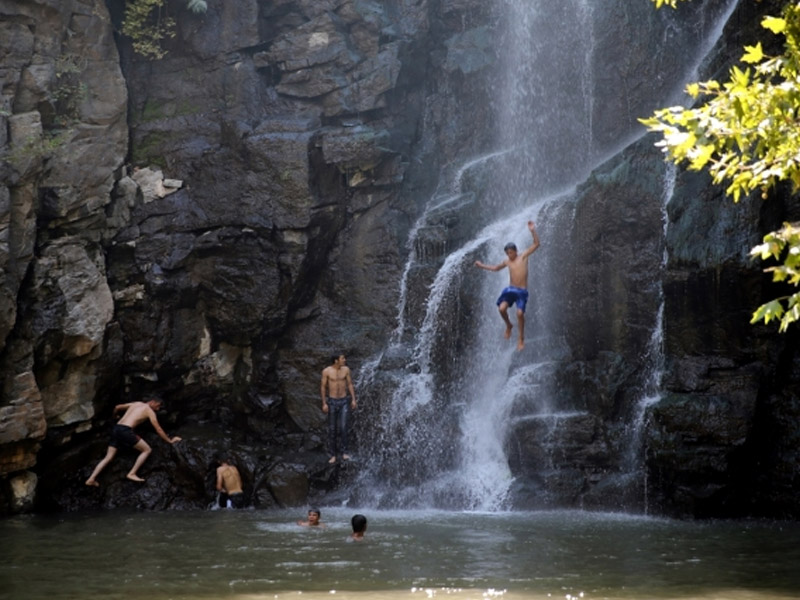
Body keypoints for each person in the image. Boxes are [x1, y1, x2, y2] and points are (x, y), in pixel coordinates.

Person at [474, 220, 540, 351]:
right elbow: (495, 268)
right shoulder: (507, 261)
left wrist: (533, 231)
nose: (509, 255)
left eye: (511, 252)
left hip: (522, 291)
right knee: (501, 309)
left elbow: (537, 244)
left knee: (520, 313)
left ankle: (521, 338)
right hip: (510, 290)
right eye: (507, 253)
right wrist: (481, 266)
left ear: (516, 251)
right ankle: (509, 325)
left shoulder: (523, 256)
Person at [85, 397, 182, 486]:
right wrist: (169, 441)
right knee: (147, 450)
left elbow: (117, 407)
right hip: (125, 431)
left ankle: (91, 479)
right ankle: (132, 473)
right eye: (157, 406)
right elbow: (158, 429)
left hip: (116, 429)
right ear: (153, 402)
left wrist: (116, 416)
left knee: (108, 457)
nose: (157, 410)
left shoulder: (136, 403)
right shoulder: (148, 410)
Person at [320, 354, 357, 464]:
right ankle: (332, 455)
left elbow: (349, 384)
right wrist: (324, 403)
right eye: (342, 358)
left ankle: (344, 452)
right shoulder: (327, 371)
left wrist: (354, 399)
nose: (345, 360)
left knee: (343, 427)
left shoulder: (346, 370)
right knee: (332, 429)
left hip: (344, 401)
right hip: (332, 402)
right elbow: (323, 387)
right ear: (336, 361)